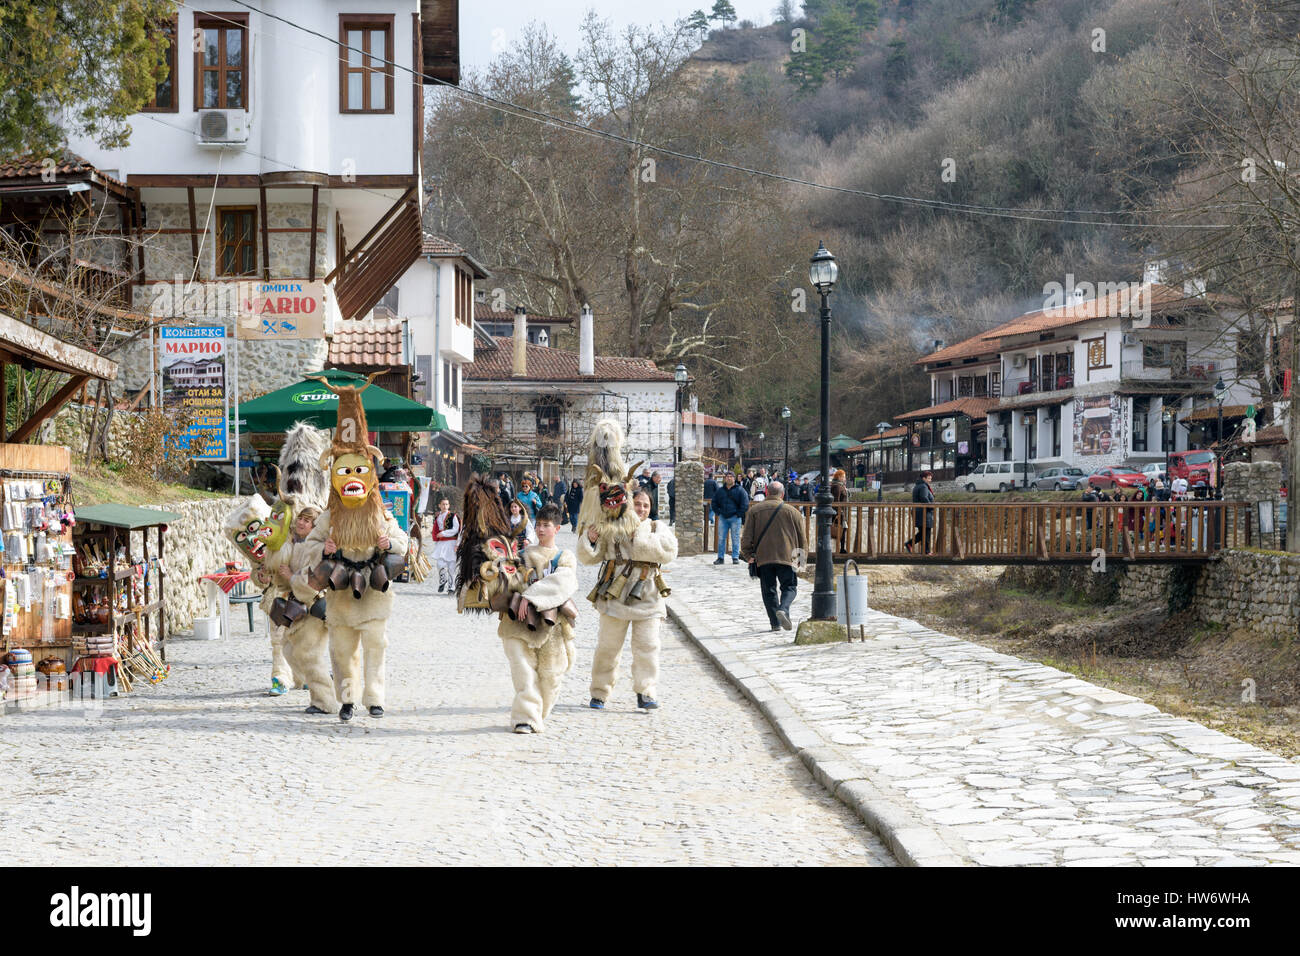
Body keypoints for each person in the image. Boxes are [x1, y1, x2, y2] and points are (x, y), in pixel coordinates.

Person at [302, 375, 409, 721]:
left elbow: (404, 543)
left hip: (375, 593)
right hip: (341, 593)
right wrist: (325, 547)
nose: (351, 475)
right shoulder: (330, 515)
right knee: (342, 650)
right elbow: (310, 546)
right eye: (343, 469)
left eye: (358, 469)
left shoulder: (379, 511)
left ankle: (374, 697)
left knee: (376, 647)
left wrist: (387, 541)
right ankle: (347, 699)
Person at [576, 420, 678, 711]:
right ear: (630, 504)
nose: (642, 509)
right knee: (608, 648)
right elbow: (589, 557)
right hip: (615, 592)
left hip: (648, 594)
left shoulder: (658, 527)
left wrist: (640, 539)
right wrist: (591, 539)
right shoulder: (614, 526)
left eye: (646, 506)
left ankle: (646, 692)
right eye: (638, 505)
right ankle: (599, 692)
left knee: (648, 648)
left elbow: (669, 552)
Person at [497, 504, 578, 734]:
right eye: (539, 525)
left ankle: (537, 714)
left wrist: (530, 596)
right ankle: (525, 717)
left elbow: (563, 582)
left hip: (552, 626)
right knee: (522, 669)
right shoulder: (522, 555)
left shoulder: (565, 557)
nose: (541, 530)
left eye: (546, 526)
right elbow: (508, 579)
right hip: (518, 623)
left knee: (551, 676)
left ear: (557, 528)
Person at [740, 481, 807, 632]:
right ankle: (784, 608)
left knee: (768, 590)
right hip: (787, 557)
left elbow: (746, 537)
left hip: (763, 557)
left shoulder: (755, 510)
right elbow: (802, 539)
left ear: (766, 491)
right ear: (782, 494)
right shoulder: (793, 512)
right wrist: (801, 562)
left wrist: (748, 555)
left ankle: (775, 623)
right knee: (789, 587)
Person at [711, 471, 749, 565]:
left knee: (735, 538)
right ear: (725, 478)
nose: (729, 478)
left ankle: (735, 557)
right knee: (721, 538)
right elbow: (714, 502)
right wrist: (718, 512)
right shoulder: (720, 491)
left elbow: (745, 503)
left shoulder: (740, 490)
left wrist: (738, 514)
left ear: (734, 478)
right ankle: (720, 557)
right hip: (723, 517)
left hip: (735, 518)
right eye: (727, 476)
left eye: (731, 476)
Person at [430, 496, 460, 594]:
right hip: (441, 543)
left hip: (451, 542)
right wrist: (437, 536)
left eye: (446, 504)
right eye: (443, 504)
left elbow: (456, 529)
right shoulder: (438, 516)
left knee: (451, 566)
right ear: (439, 505)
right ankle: (443, 580)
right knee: (440, 563)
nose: (445, 506)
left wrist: (444, 533)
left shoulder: (453, 516)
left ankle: (451, 587)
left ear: (449, 505)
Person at [906, 470, 935, 555]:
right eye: (929, 478)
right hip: (923, 512)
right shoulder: (923, 486)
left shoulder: (918, 485)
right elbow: (924, 498)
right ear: (924, 478)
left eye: (930, 478)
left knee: (923, 533)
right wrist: (931, 507)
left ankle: (924, 550)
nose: (930, 480)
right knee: (926, 533)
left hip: (919, 512)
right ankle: (924, 550)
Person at [830, 468, 848, 552]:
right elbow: (836, 500)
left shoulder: (840, 485)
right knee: (842, 529)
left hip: (840, 511)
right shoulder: (837, 486)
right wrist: (839, 512)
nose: (845, 478)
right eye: (843, 476)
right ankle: (841, 549)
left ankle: (841, 548)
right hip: (839, 512)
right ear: (839, 477)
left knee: (842, 529)